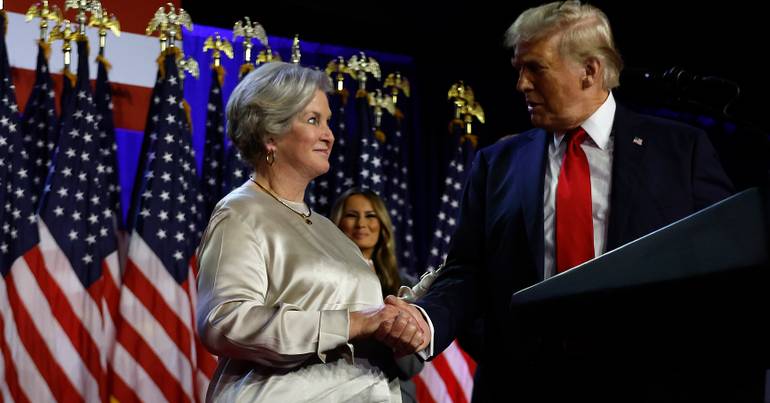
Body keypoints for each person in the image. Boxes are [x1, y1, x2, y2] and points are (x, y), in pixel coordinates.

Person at [380, 1, 735, 401]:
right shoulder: (497, 164)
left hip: (647, 381)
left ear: (590, 71)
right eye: (519, 69)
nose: (521, 84)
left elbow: (723, 269)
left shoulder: (681, 152)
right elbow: (467, 270)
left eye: (536, 68)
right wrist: (427, 320)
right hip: (522, 386)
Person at [196, 61, 422, 402]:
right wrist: (352, 324)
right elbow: (223, 322)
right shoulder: (240, 213)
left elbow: (366, 318)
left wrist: (401, 318)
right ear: (270, 135)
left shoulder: (329, 229)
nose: (329, 135)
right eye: (313, 120)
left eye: (327, 121)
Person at [330, 188, 424, 403]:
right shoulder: (322, 280)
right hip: (338, 391)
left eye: (370, 216)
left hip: (395, 392)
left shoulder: (406, 286)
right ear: (337, 223)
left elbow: (412, 366)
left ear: (382, 225)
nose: (361, 224)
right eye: (351, 215)